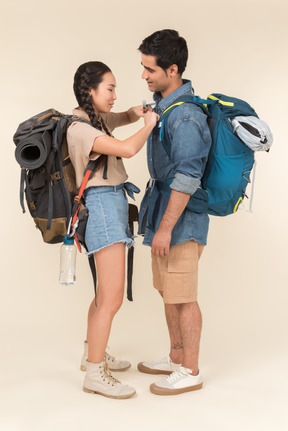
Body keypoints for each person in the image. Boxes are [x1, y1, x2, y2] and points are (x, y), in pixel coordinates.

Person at [67, 61, 159, 399]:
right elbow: (127, 148)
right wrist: (149, 123)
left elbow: (120, 119)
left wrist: (135, 112)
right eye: (110, 89)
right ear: (90, 91)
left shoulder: (94, 118)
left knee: (102, 295)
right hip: (103, 206)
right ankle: (94, 374)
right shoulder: (81, 129)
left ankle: (92, 352)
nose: (115, 96)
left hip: (109, 203)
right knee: (111, 299)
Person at [137, 30, 212, 395]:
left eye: (150, 69)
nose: (144, 76)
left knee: (183, 295)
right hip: (164, 213)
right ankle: (176, 356)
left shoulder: (185, 117)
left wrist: (166, 228)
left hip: (182, 219)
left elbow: (188, 177)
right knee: (169, 291)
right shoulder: (165, 108)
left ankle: (192, 371)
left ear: (173, 69)